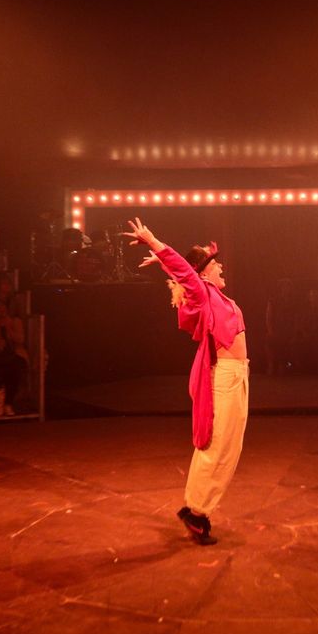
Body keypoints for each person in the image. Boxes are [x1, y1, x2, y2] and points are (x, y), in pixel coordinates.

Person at [125, 217, 247, 547]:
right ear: (204, 273)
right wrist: (156, 244)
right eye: (216, 265)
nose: (221, 268)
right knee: (215, 444)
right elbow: (186, 276)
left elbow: (183, 275)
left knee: (229, 447)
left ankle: (199, 510)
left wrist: (165, 264)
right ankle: (195, 512)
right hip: (223, 376)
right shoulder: (203, 293)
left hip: (238, 375)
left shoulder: (214, 295)